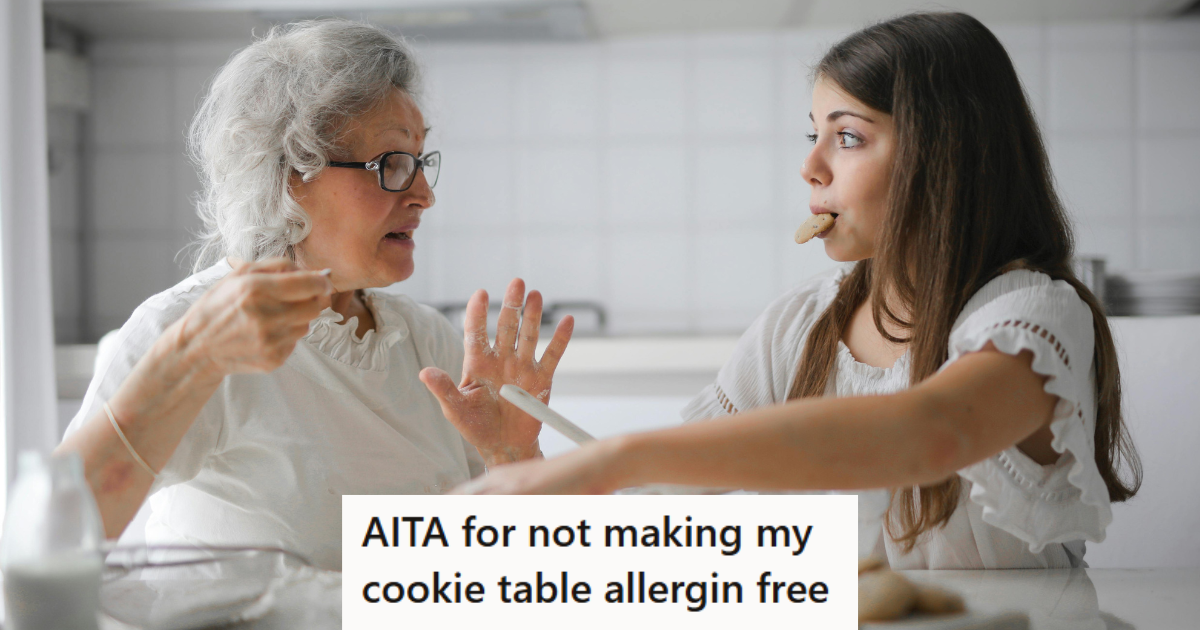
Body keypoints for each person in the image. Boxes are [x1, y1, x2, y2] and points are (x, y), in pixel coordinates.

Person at [455, 12, 1142, 570]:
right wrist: (520, 460)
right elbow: (669, 514)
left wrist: (619, 451)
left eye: (846, 137)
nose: (810, 166)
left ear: (945, 155)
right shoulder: (799, 325)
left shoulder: (1032, 316)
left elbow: (934, 433)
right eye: (814, 136)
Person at [55, 20, 571, 571]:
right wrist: (188, 360)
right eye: (391, 165)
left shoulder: (426, 342)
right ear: (287, 175)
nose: (424, 194)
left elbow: (519, 577)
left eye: (421, 162)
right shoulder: (186, 327)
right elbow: (55, 536)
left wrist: (513, 458)